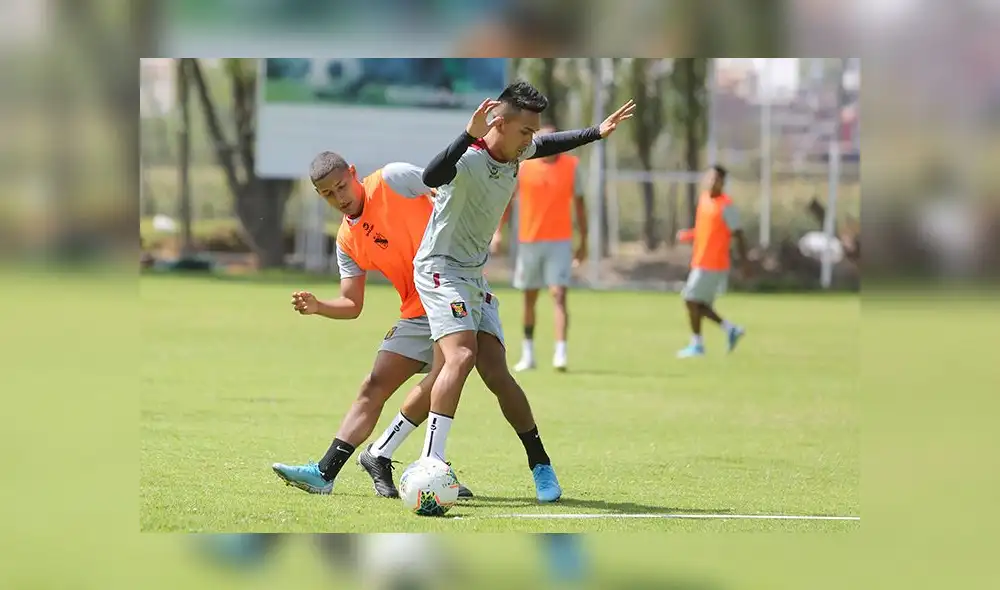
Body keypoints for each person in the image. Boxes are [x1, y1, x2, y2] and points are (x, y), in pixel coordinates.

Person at [271, 152, 553, 501]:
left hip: (459, 289)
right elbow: (352, 305)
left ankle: (539, 463)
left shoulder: (392, 178)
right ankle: (327, 472)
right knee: (374, 384)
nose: (339, 197)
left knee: (494, 375)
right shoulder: (346, 240)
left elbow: (445, 190)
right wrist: (319, 307)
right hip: (417, 312)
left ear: (354, 174)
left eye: (342, 186)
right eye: (328, 194)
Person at [412, 80, 636, 502]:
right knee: (460, 356)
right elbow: (431, 174)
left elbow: (550, 144)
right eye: (525, 132)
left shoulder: (517, 151)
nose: (530, 141)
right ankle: (433, 463)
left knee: (497, 372)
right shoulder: (469, 158)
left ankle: (540, 464)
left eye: (532, 133)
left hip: (473, 276)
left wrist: (595, 131)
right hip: (439, 268)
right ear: (498, 121)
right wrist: (467, 134)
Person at [492, 123, 588, 372]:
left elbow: (580, 206)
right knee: (529, 298)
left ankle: (560, 352)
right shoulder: (524, 166)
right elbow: (507, 203)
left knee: (559, 294)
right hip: (529, 241)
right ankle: (528, 353)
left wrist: (584, 241)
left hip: (560, 241)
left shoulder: (571, 166)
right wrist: (498, 232)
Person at [675, 165, 750, 358]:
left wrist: (744, 263)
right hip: (700, 261)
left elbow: (739, 235)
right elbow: (704, 230)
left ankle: (698, 344)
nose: (711, 182)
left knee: (690, 300)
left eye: (716, 179)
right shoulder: (704, 200)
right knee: (699, 304)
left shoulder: (727, 205)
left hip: (714, 264)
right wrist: (688, 235)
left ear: (723, 183)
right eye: (709, 178)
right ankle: (729, 329)